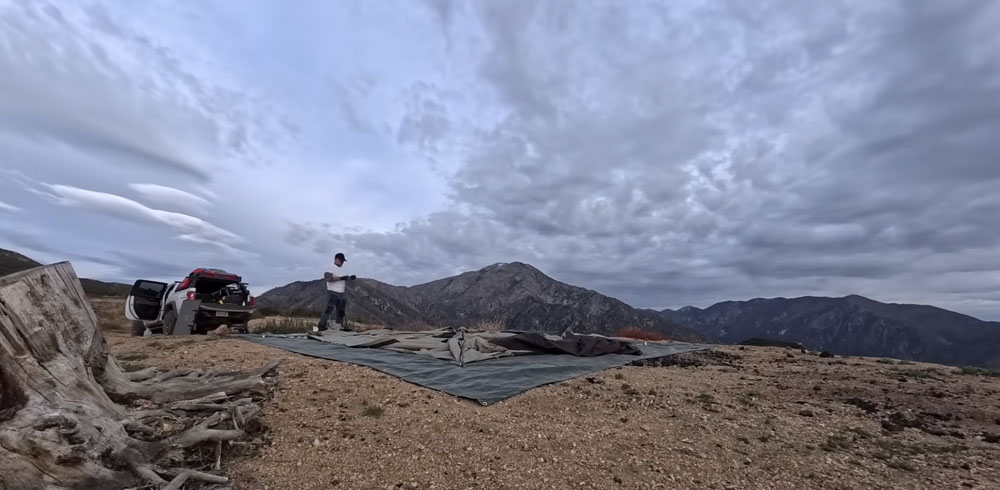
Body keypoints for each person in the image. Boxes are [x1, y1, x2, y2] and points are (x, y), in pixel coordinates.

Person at [315, 252, 356, 332]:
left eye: (343, 261)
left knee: (341, 311)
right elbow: (327, 278)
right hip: (332, 291)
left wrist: (351, 278)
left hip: (342, 292)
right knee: (329, 309)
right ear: (336, 259)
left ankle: (339, 327)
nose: (342, 262)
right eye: (341, 261)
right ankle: (321, 326)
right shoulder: (330, 267)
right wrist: (341, 278)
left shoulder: (343, 270)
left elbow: (347, 280)